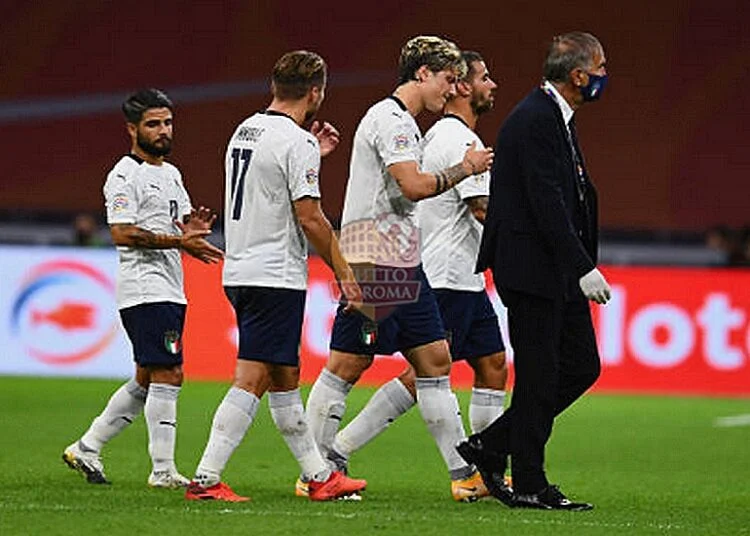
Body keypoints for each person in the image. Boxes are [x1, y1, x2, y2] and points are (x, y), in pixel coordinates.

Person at [303, 36, 494, 502]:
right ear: (423, 73)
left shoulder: (401, 122)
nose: (451, 91)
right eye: (448, 80)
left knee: (435, 361)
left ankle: (464, 475)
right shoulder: (392, 121)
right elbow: (412, 186)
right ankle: (317, 469)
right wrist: (464, 170)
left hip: (402, 256)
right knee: (348, 364)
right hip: (373, 254)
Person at [184, 50, 367, 503]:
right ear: (316, 92)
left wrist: (310, 153)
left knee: (285, 375)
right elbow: (311, 219)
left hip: (240, 268)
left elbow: (266, 182)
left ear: (273, 87)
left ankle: (319, 476)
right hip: (274, 275)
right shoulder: (296, 142)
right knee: (253, 377)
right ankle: (206, 479)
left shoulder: (244, 131)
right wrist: (344, 272)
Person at [456, 31, 612, 511]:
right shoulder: (536, 120)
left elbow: (567, 197)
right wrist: (582, 266)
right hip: (533, 271)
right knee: (542, 376)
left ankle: (493, 443)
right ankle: (528, 480)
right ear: (578, 76)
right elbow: (547, 203)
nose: (606, 76)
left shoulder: (554, 117)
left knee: (581, 366)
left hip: (553, 272)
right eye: (600, 67)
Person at [63, 88, 224, 488]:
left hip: (170, 286)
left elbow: (178, 224)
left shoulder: (171, 174)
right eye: (153, 124)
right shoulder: (123, 175)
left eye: (168, 122)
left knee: (147, 376)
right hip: (144, 288)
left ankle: (88, 445)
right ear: (132, 129)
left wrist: (191, 231)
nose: (163, 130)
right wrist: (177, 242)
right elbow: (121, 232)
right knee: (170, 372)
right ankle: (163, 470)